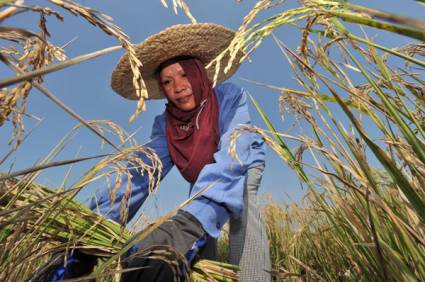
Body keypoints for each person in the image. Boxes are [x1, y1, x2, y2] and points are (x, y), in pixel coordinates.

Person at [44, 23, 271, 281]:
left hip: (241, 162)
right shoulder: (165, 124)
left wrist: (189, 222)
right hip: (199, 172)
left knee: (240, 201)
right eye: (167, 81)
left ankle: (255, 277)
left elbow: (234, 154)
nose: (178, 86)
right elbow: (142, 172)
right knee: (197, 234)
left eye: (184, 74)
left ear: (199, 74)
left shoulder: (230, 96)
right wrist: (93, 223)